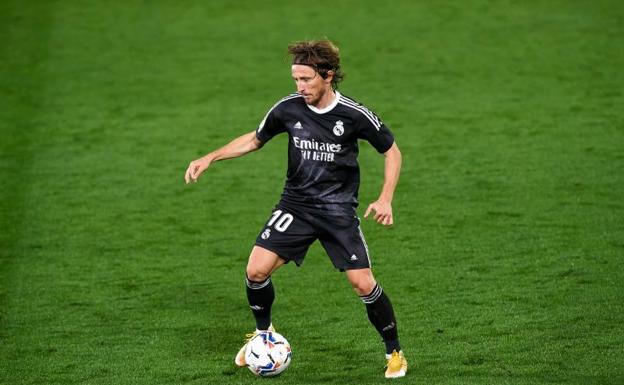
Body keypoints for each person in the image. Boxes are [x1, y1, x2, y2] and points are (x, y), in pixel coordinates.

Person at [184, 39, 407, 379]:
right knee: (256, 270)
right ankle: (262, 335)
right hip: (297, 206)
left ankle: (395, 352)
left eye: (306, 79)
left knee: (363, 284)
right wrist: (210, 156)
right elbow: (255, 138)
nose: (300, 87)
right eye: (296, 80)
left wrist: (385, 197)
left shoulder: (353, 114)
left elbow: (392, 151)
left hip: (337, 212)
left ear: (328, 76)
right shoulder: (288, 108)